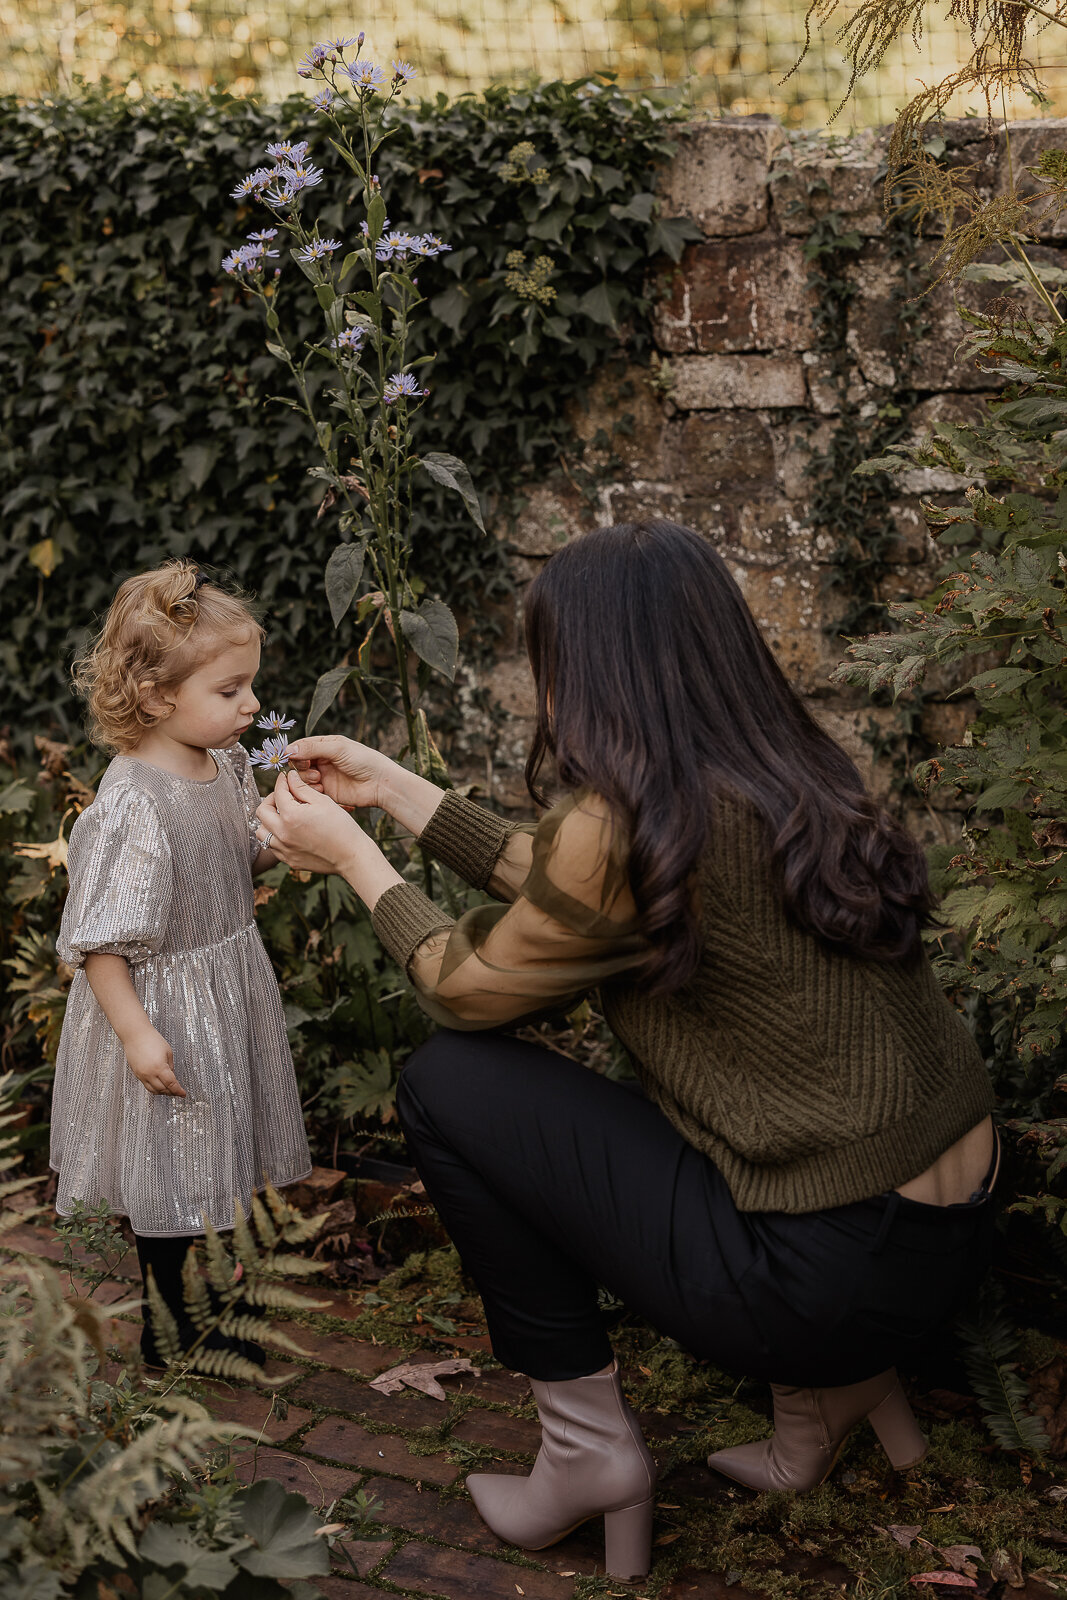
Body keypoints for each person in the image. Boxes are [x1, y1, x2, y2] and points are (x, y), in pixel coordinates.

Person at [254, 520, 997, 1582]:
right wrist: (397, 790)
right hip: (941, 1236)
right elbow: (574, 891)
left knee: (448, 1082)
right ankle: (840, 1392)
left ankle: (586, 1451)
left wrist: (358, 860)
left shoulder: (625, 826)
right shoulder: (780, 771)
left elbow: (466, 990)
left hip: (823, 1278)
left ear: (588, 670)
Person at [52, 559, 311, 1365]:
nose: (253, 705)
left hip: (225, 990)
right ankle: (169, 1329)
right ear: (159, 697)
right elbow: (100, 940)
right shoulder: (134, 801)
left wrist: (285, 837)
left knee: (224, 1159)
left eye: (250, 687)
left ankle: (218, 1308)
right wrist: (136, 1035)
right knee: (171, 1176)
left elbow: (232, 862)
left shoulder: (225, 763)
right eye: (230, 691)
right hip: (160, 1007)